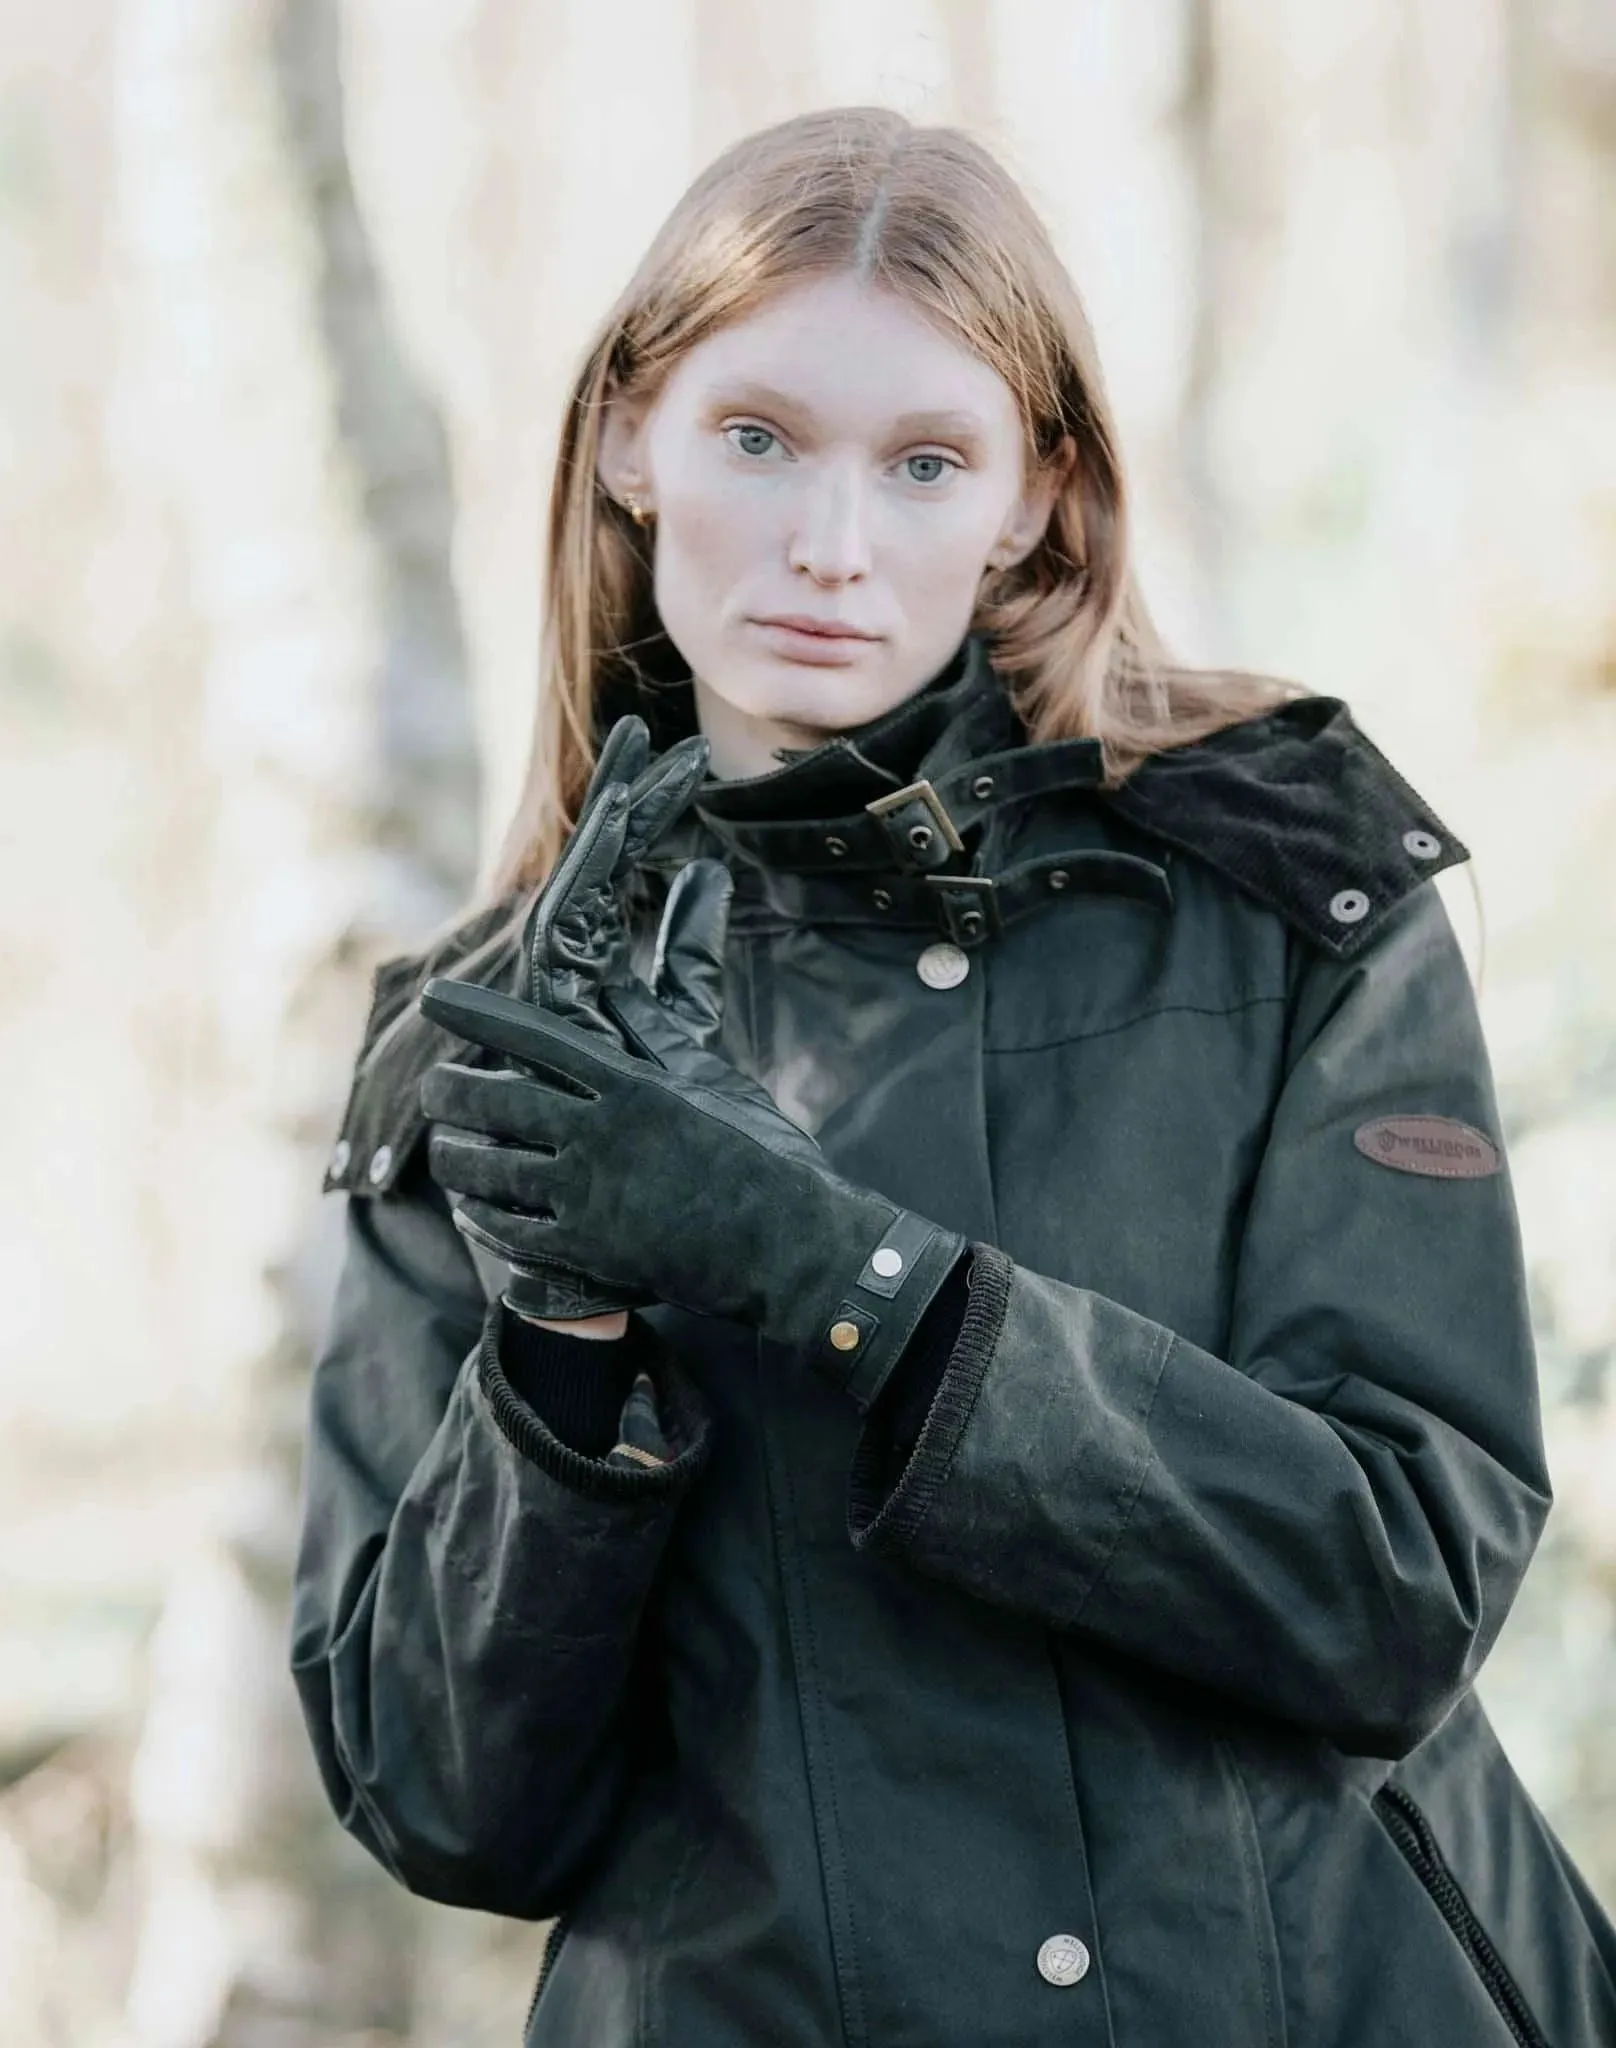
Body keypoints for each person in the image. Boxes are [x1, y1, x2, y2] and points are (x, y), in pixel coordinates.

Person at [289, 108, 1616, 2046]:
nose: (832, 543)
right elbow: (448, 1803)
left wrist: (852, 1280)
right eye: (759, 439)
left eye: (924, 462)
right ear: (629, 438)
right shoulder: (484, 1043)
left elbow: (1396, 1583)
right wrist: (562, 1356)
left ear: (1031, 498)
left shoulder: (1279, 891)